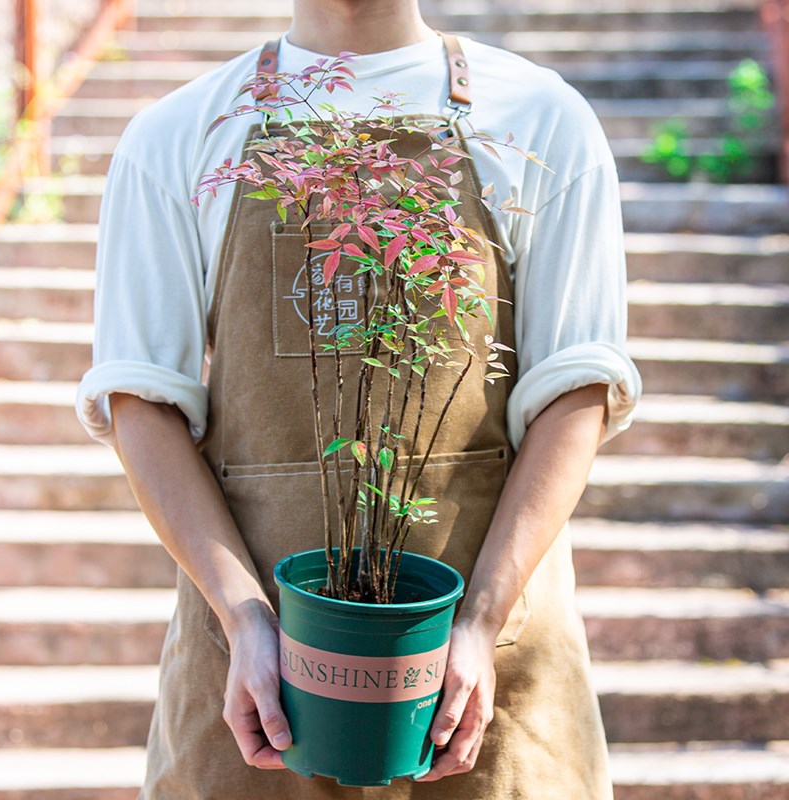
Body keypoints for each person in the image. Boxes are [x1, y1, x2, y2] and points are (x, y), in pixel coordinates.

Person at [77, 1, 642, 797]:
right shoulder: (177, 136)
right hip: (256, 677)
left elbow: (574, 390)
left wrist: (481, 623)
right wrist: (244, 619)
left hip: (487, 667)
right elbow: (141, 402)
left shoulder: (543, 119)